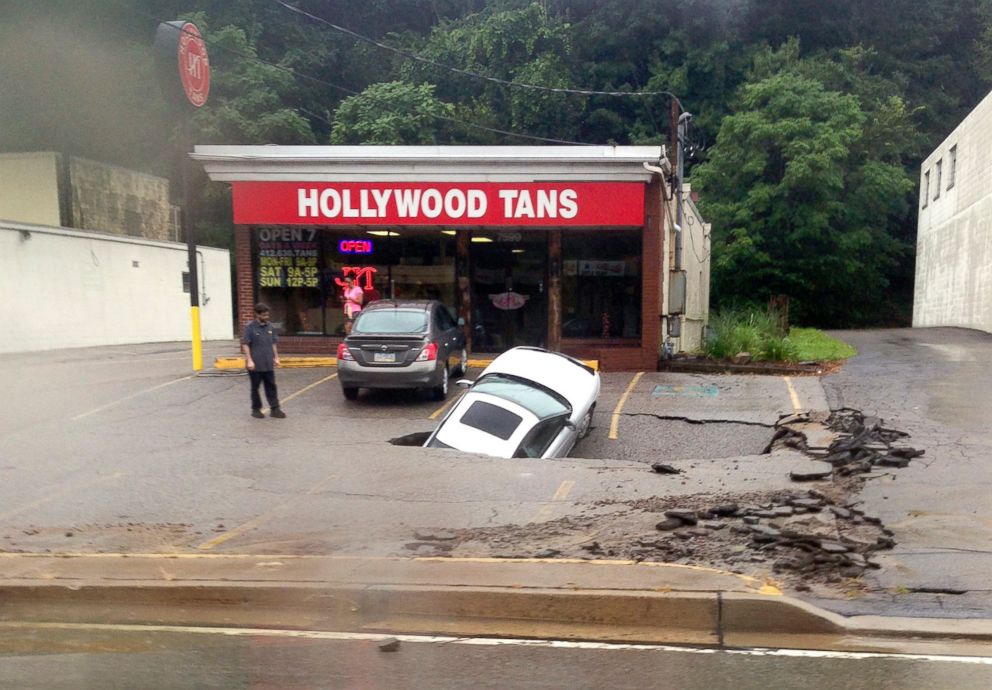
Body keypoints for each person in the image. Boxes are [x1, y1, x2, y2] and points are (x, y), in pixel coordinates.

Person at [242, 302, 285, 419]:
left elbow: (273, 343)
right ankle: (256, 409)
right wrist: (249, 360)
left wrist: (276, 357)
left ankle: (275, 409)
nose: (266, 317)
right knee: (255, 387)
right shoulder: (250, 327)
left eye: (267, 315)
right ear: (257, 314)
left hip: (268, 363)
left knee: (271, 386)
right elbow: (245, 344)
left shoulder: (270, 326)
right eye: (264, 315)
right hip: (255, 364)